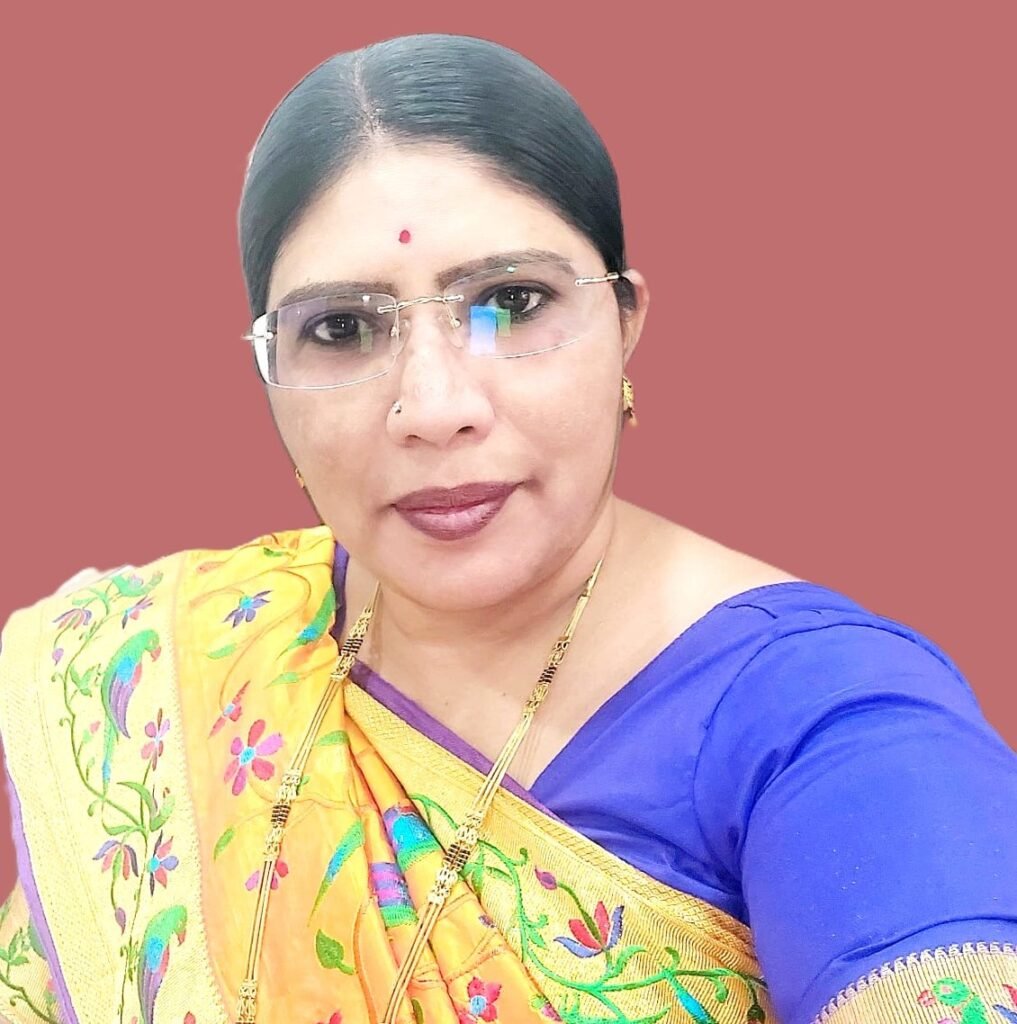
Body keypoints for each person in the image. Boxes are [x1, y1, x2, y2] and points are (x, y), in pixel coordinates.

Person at [0, 32, 1014, 1024]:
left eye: (509, 302)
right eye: (342, 329)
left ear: (626, 322)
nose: (433, 407)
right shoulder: (156, 676)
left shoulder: (831, 717)